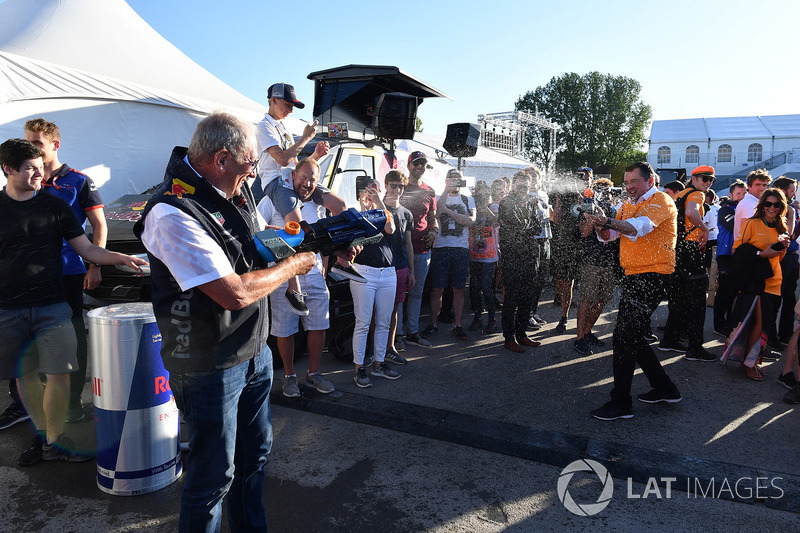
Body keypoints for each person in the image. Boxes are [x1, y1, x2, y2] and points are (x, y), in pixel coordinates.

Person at [136, 112, 315, 532]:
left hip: (253, 352)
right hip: (208, 365)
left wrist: (308, 242)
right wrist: (295, 267)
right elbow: (232, 292)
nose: (254, 173)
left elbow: (255, 242)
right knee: (213, 476)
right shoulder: (171, 211)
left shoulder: (229, 189)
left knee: (254, 459)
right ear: (221, 159)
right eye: (250, 164)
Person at [0, 138, 146, 466]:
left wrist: (119, 257)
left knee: (59, 375)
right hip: (7, 309)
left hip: (52, 306)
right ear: (9, 169)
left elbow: (87, 249)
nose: (40, 174)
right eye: (31, 169)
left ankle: (53, 441)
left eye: (40, 167)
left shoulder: (55, 207)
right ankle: (42, 438)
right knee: (27, 379)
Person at [24, 118, 107, 423]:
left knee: (71, 339)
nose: (30, 148)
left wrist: (95, 265)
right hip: (29, 275)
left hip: (69, 271)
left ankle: (72, 404)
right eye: (27, 142)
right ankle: (25, 405)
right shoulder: (23, 179)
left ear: (54, 145)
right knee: (27, 337)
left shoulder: (78, 181)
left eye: (37, 143)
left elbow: (99, 225)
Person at [586, 162, 682, 421]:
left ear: (649, 181)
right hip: (634, 276)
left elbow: (637, 228)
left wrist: (607, 221)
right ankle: (665, 388)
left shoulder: (661, 200)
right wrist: (600, 225)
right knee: (634, 337)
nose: (628, 187)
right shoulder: (628, 204)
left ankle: (621, 403)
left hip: (652, 276)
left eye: (633, 182)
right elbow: (611, 237)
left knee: (623, 338)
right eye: (626, 182)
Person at [255, 82, 351, 315]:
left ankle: (342, 258)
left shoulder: (281, 128)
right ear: (273, 101)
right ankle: (292, 287)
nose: (291, 110)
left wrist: (316, 155)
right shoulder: (263, 127)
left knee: (340, 206)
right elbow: (282, 159)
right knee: (296, 225)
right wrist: (306, 138)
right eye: (288, 105)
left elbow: (294, 164)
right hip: (277, 183)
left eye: (293, 106)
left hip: (291, 179)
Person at [257, 159, 338, 399]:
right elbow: (256, 228)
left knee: (318, 326)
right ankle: (290, 377)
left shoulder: (316, 203)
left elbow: (323, 237)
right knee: (285, 329)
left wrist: (324, 263)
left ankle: (314, 373)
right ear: (293, 175)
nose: (307, 183)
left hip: (314, 275)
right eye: (304, 177)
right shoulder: (271, 199)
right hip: (282, 277)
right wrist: (275, 231)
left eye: (313, 179)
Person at [727, 188, 790, 381]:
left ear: (782, 207)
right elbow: (737, 250)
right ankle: (749, 363)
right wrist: (761, 254)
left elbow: (779, 258)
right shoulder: (752, 223)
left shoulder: (782, 227)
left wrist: (782, 247)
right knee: (759, 322)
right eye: (768, 204)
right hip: (756, 281)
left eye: (776, 204)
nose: (772, 208)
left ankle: (752, 359)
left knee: (764, 323)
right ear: (762, 205)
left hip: (774, 280)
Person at [659, 165, 715, 361]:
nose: (708, 183)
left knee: (678, 298)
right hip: (691, 252)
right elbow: (691, 213)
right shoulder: (697, 195)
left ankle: (669, 339)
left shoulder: (680, 194)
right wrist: (704, 228)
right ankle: (695, 348)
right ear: (694, 178)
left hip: (676, 250)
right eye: (705, 179)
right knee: (698, 300)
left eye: (711, 180)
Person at [349, 179, 400, 388]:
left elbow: (391, 228)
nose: (370, 194)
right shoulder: (354, 212)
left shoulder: (383, 212)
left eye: (373, 190)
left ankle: (379, 364)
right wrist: (363, 206)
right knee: (362, 322)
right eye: (366, 191)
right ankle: (359, 368)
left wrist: (378, 202)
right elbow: (356, 233)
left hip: (388, 272)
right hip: (364, 272)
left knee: (384, 322)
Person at [421, 169, 476, 341]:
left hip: (460, 249)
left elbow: (471, 221)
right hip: (441, 248)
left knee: (458, 289)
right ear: (446, 180)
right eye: (451, 179)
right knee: (437, 288)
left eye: (457, 179)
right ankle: (434, 324)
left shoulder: (468, 198)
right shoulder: (438, 197)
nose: (455, 182)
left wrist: (449, 212)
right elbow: (436, 214)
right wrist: (445, 190)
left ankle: (457, 325)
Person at [498, 172, 543, 352]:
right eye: (519, 186)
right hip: (512, 256)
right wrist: (528, 225)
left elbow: (538, 227)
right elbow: (518, 228)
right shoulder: (506, 202)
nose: (523, 190)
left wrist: (527, 226)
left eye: (525, 187)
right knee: (511, 298)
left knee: (527, 297)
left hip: (530, 255)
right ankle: (509, 338)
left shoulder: (531, 202)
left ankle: (522, 334)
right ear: (513, 186)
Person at [398, 151, 438, 348]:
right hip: (400, 249)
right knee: (398, 294)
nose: (419, 167)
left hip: (422, 249)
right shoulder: (399, 187)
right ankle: (396, 335)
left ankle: (412, 332)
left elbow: (433, 218)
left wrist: (435, 230)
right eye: (416, 163)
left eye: (422, 163)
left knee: (416, 293)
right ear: (409, 165)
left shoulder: (430, 191)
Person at [572, 178, 617, 356]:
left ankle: (587, 331)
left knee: (603, 299)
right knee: (586, 300)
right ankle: (578, 338)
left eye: (608, 190)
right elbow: (583, 232)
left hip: (608, 260)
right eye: (602, 190)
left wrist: (603, 216)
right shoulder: (585, 208)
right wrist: (593, 215)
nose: (605, 193)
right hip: (590, 261)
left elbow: (614, 233)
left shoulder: (612, 209)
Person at [551, 167, 592, 334]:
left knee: (588, 288)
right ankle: (564, 317)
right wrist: (559, 199)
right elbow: (557, 220)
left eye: (584, 178)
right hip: (567, 246)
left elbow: (588, 225)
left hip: (587, 247)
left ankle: (585, 327)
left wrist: (583, 201)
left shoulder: (591, 196)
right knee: (565, 282)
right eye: (578, 178)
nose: (581, 181)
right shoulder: (565, 196)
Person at [383, 170, 414, 364]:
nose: (396, 190)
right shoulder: (377, 208)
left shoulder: (406, 213)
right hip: (380, 268)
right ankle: (375, 349)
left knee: (394, 311)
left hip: (400, 267)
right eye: (393, 185)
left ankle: (390, 347)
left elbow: (408, 244)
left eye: (400, 186)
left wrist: (411, 271)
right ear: (386, 185)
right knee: (377, 313)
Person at [713, 180, 746, 336]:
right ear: (731, 195)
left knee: (735, 293)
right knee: (724, 292)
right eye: (738, 193)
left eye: (744, 193)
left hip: (740, 256)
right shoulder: (725, 210)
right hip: (726, 255)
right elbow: (738, 228)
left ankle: (731, 324)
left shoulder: (746, 209)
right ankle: (719, 325)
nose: (741, 197)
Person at [467, 181, 499, 333]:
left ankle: (491, 318)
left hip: (489, 255)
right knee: (474, 288)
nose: (482, 198)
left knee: (486, 287)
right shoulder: (472, 208)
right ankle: (478, 317)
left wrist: (485, 207)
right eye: (479, 195)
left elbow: (497, 222)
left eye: (485, 195)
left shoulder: (493, 207)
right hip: (474, 254)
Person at [772, 176, 798, 347]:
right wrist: (791, 214)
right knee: (774, 298)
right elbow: (789, 234)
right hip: (779, 256)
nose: (794, 193)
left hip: (789, 256)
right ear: (782, 190)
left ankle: (784, 335)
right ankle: (771, 338)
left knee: (788, 298)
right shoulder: (781, 209)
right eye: (792, 190)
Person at [526, 166, 552, 330]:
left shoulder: (543, 194)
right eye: (530, 175)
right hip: (532, 241)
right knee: (531, 279)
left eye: (535, 175)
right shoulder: (523, 195)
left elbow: (550, 215)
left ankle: (533, 311)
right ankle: (526, 314)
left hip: (546, 239)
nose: (533, 178)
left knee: (542, 279)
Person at [733, 169, 771, 241]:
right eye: (758, 185)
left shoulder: (755, 202)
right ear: (749, 187)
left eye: (764, 185)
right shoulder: (749, 204)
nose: (762, 188)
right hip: (749, 249)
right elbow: (747, 231)